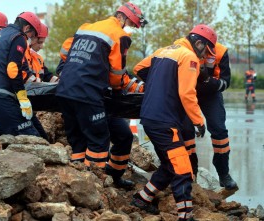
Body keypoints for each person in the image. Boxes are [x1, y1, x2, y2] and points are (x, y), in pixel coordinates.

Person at [55, 2, 147, 188]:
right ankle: (92, 186)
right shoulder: (118, 35)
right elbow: (116, 76)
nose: (130, 29)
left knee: (114, 137)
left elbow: (65, 51)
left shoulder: (87, 28)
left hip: (65, 91)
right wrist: (121, 86)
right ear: (124, 18)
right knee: (98, 141)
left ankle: (111, 177)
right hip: (88, 93)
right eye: (131, 25)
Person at [131, 24, 217, 221]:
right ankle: (185, 216)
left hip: (152, 118)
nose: (205, 56)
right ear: (198, 43)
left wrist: (158, 82)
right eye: (206, 50)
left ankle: (142, 199)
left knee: (170, 166)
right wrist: (198, 121)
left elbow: (139, 68)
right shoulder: (189, 57)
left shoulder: (163, 51)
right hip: (165, 122)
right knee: (182, 169)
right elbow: (187, 93)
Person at [0, 12, 42, 136]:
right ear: (26, 28)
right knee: (33, 138)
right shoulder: (18, 37)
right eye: (32, 35)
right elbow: (13, 69)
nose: (31, 38)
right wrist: (22, 97)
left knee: (1, 142)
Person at [181, 41, 238, 191]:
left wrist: (208, 80)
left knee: (219, 130)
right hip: (188, 91)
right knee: (186, 131)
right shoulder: (183, 46)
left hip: (211, 93)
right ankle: (190, 174)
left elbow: (226, 82)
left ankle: (223, 173)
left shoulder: (220, 51)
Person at [22, 22, 57, 141]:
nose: (41, 46)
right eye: (40, 42)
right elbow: (27, 78)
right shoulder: (21, 54)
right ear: (31, 37)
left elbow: (48, 76)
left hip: (33, 103)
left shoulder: (38, 59)